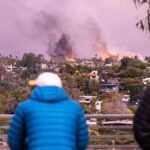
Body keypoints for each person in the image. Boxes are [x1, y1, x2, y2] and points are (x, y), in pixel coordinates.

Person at [8, 72, 89, 150]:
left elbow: (14, 140)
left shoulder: (24, 107)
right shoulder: (75, 108)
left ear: (38, 87)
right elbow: (83, 141)